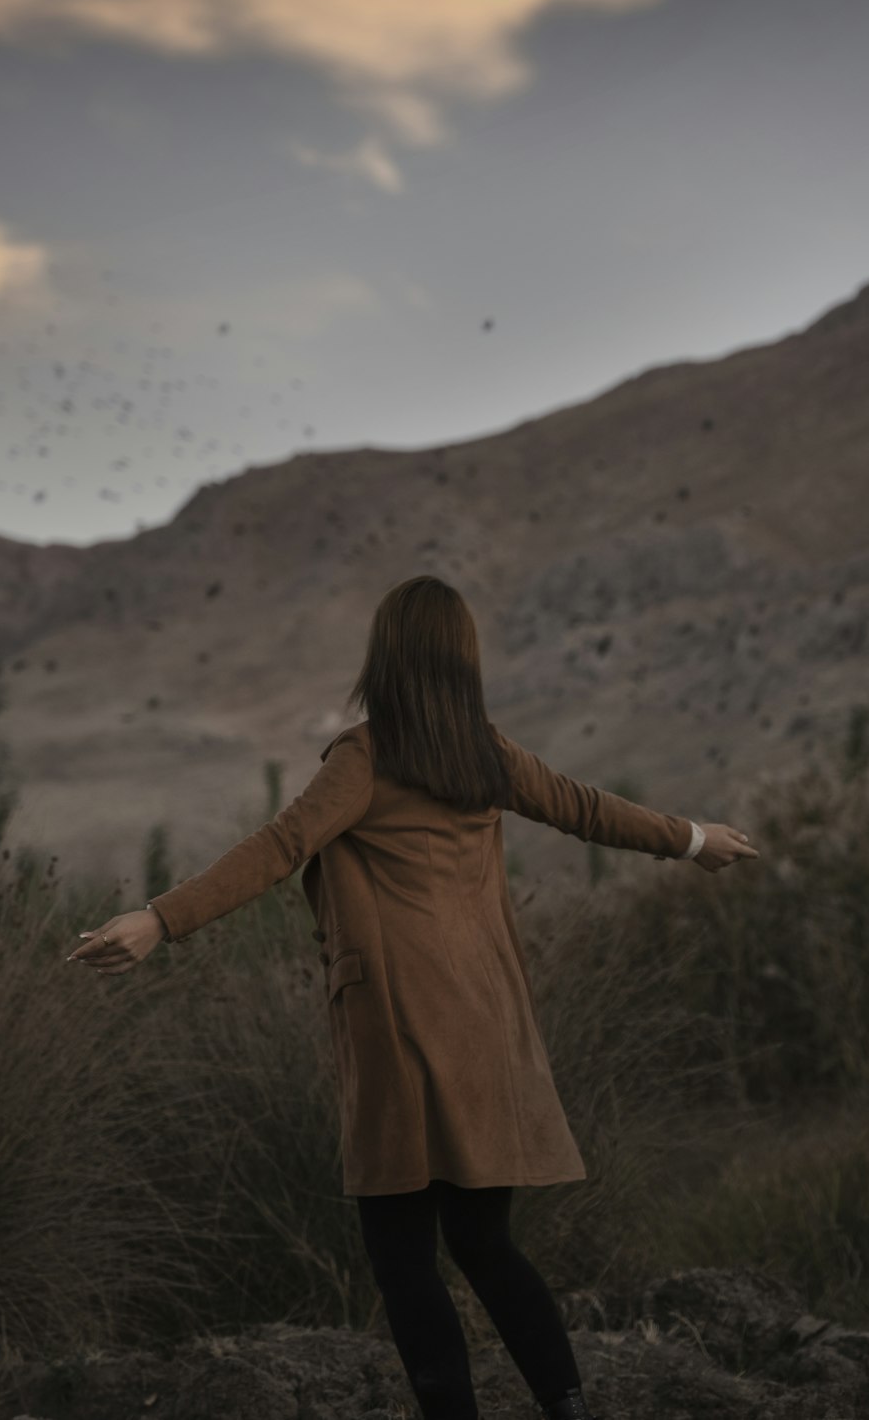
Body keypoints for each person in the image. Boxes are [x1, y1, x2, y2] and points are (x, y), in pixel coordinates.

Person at [66, 574, 759, 1420]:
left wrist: (157, 920)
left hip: (400, 1028)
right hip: (489, 1026)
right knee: (484, 1242)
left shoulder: (366, 756)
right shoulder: (486, 754)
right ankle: (569, 1407)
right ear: (462, 662)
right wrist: (693, 840)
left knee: (402, 1259)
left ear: (385, 657)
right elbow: (587, 809)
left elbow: (280, 846)